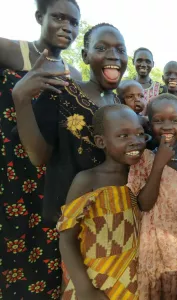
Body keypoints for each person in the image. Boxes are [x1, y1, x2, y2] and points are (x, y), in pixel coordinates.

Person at [0, 0, 80, 298]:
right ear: (39, 17)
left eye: (73, 22)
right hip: (8, 172)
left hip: (47, 180)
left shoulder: (73, 74)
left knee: (43, 262)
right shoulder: (10, 51)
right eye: (59, 17)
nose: (67, 27)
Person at [12, 22, 127, 224]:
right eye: (101, 48)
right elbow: (39, 156)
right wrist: (21, 99)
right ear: (85, 56)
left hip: (110, 218)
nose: (113, 55)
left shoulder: (119, 105)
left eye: (121, 50)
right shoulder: (61, 93)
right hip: (68, 219)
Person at [58, 104, 145, 300]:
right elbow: (66, 238)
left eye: (140, 133)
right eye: (123, 136)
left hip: (133, 285)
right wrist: (85, 289)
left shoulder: (141, 179)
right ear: (100, 141)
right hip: (94, 284)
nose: (136, 141)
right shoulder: (88, 180)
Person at [127, 93, 177, 299]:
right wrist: (159, 164)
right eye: (158, 120)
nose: (167, 126)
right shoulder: (143, 159)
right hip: (149, 247)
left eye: (174, 120)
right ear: (149, 126)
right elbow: (144, 204)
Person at [133, 47, 166, 114]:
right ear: (133, 61)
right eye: (139, 60)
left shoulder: (161, 89)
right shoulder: (125, 87)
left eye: (148, 61)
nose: (143, 65)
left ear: (153, 64)